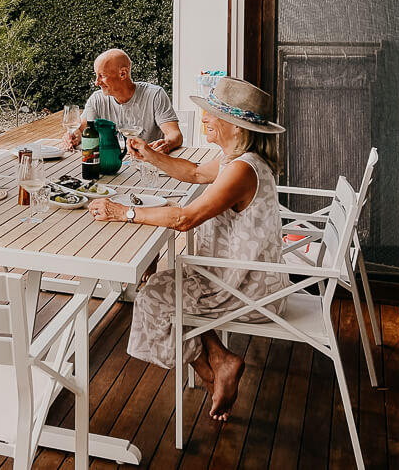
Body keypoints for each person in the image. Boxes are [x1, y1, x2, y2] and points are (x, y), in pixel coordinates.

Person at [87, 76, 288, 422]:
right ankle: (219, 358)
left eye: (210, 114)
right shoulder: (237, 160)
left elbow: (184, 218)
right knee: (165, 284)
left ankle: (211, 373)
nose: (204, 118)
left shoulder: (241, 169)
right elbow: (194, 173)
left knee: (152, 295)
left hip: (248, 289)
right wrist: (150, 155)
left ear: (234, 126)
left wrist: (125, 212)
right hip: (243, 274)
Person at [63, 49, 182, 153]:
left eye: (102, 75)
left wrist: (167, 145)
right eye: (96, 75)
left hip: (146, 164)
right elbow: (81, 129)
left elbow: (175, 135)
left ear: (123, 73)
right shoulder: (97, 99)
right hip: (112, 162)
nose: (96, 82)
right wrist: (74, 137)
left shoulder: (155, 95)